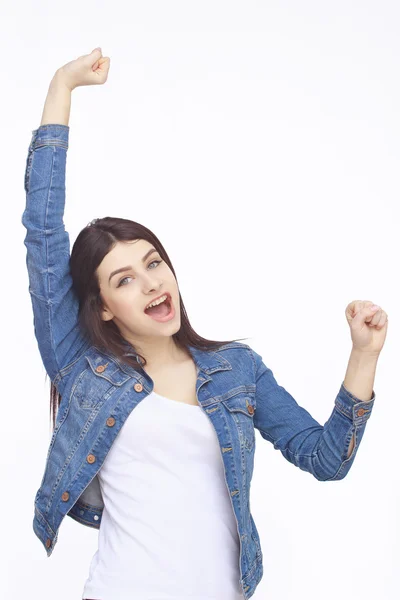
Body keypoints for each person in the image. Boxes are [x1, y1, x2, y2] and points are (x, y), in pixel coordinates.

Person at [22, 48, 388, 600]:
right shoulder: (83, 368)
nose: (150, 283)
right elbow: (43, 232)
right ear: (101, 307)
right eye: (122, 280)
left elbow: (326, 458)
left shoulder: (236, 370)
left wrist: (364, 354)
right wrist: (61, 89)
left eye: (153, 263)